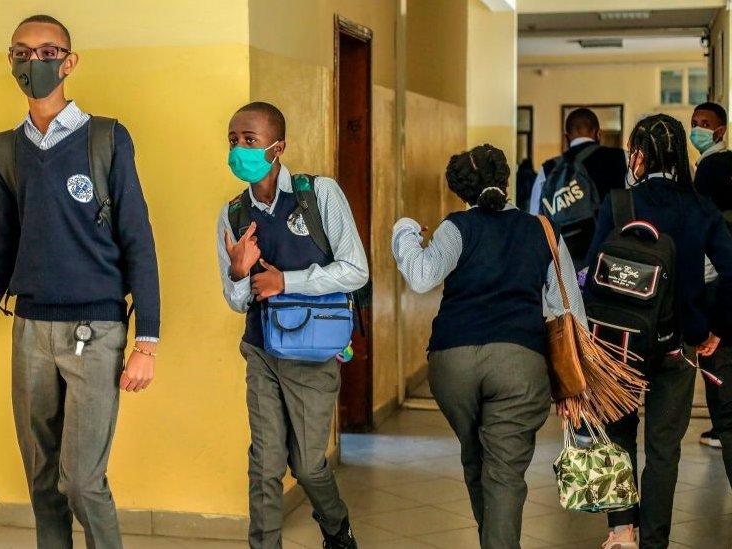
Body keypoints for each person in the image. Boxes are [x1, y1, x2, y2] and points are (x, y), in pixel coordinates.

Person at [0, 15, 160, 549]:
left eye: (47, 52)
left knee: (83, 480)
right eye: (22, 53)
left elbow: (138, 240)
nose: (34, 63)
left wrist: (148, 342)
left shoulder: (107, 138)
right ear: (10, 62)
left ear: (70, 61)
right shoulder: (7, 149)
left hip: (97, 330)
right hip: (30, 332)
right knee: (43, 482)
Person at [392, 144, 586, 549]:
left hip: (452, 363)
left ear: (461, 191)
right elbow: (568, 307)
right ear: (506, 179)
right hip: (520, 363)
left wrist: (405, 231)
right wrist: (574, 384)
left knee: (476, 456)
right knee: (504, 472)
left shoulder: (457, 227)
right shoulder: (542, 229)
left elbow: (422, 276)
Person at [217, 102, 368, 549]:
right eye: (232, 140)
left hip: (313, 351)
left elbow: (355, 269)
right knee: (264, 464)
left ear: (277, 148)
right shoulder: (232, 214)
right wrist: (239, 274)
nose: (238, 149)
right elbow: (234, 300)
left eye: (250, 141)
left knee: (307, 466)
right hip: (262, 349)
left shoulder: (318, 194)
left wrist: (287, 280)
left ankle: (336, 527)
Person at [586, 114, 732, 549]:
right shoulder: (699, 205)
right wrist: (715, 328)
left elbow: (589, 274)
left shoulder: (618, 204)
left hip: (618, 347)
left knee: (617, 439)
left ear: (639, 155)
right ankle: (654, 539)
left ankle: (621, 530)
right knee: (665, 449)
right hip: (678, 347)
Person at [529, 108, 628, 267]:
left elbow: (535, 219)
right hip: (613, 258)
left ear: (566, 137)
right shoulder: (622, 158)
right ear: (598, 134)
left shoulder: (548, 169)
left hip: (567, 263)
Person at [690, 102, 732, 476]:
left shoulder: (710, 170)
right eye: (695, 123)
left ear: (720, 131)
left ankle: (721, 426)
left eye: (706, 124)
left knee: (712, 354)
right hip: (724, 270)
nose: (699, 129)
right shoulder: (721, 164)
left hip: (713, 272)